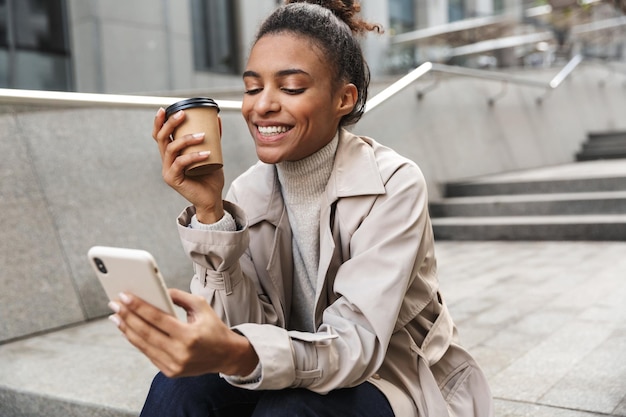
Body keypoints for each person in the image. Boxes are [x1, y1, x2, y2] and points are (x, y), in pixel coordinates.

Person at [108, 1, 494, 416]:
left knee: (289, 412)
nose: (262, 106)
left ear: (344, 99)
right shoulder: (247, 190)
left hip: (387, 378)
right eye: (253, 88)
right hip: (288, 366)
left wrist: (239, 354)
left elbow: (356, 346)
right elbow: (245, 327)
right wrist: (210, 213)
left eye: (290, 88)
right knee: (179, 387)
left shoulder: (394, 184)